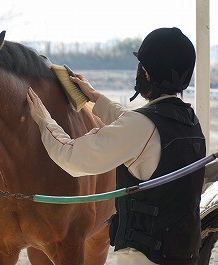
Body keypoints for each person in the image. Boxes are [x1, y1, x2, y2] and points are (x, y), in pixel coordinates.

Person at [27, 27, 206, 265]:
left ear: (145, 72)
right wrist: (95, 97)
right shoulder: (190, 122)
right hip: (185, 253)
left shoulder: (141, 126)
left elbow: (71, 157)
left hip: (144, 257)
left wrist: (43, 119)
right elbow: (133, 126)